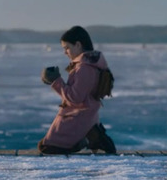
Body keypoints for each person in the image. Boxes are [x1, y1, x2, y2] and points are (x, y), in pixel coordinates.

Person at [38, 25, 116, 154]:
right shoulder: (88, 64)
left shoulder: (85, 68)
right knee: (45, 146)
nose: (65, 52)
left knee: (47, 148)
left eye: (67, 48)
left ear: (78, 45)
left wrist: (56, 81)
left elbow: (75, 98)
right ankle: (92, 135)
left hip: (77, 117)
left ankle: (92, 138)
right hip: (84, 116)